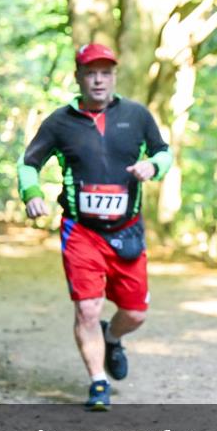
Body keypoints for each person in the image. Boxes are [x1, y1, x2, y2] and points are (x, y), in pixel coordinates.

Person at [18, 43, 172, 410]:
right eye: (91, 73)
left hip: (127, 230)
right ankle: (98, 382)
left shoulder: (136, 115)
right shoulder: (59, 122)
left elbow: (163, 152)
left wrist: (153, 166)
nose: (98, 80)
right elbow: (28, 164)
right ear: (78, 77)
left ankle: (112, 338)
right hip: (81, 231)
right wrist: (31, 193)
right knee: (87, 309)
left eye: (105, 72)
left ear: (114, 76)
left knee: (135, 313)